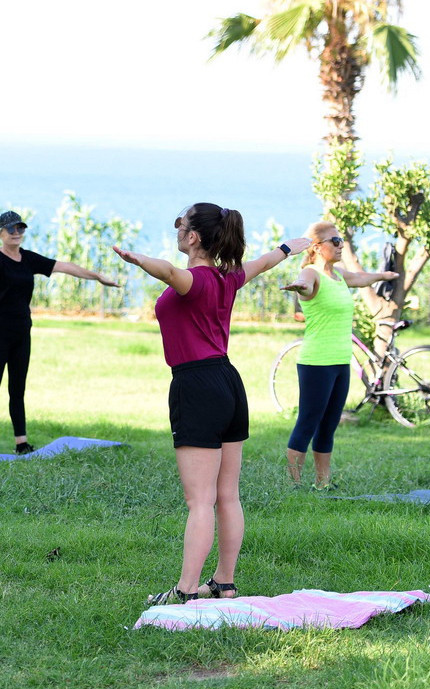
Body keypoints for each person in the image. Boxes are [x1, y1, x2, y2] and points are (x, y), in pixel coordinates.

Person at [112, 203, 308, 605]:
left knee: (200, 500)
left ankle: (185, 590)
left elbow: (168, 272)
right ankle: (224, 584)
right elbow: (266, 262)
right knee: (227, 495)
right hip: (229, 383)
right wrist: (288, 249)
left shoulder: (197, 280)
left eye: (180, 221)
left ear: (194, 236)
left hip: (197, 385)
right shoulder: (229, 277)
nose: (176, 225)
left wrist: (137, 260)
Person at [0, 210, 120, 454]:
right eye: (11, 229)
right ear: (0, 233)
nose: (16, 233)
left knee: (18, 389)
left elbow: (64, 267)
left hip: (21, 332)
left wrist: (97, 277)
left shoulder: (28, 259)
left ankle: (21, 444)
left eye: (20, 229)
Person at [281, 221, 397, 489]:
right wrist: (298, 286)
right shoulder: (311, 273)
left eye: (341, 240)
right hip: (316, 363)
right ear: (318, 247)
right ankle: (294, 485)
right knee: (308, 422)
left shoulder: (339, 275)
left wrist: (383, 276)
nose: (341, 244)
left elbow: (361, 278)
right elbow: (305, 284)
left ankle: (323, 483)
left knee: (329, 424)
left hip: (339, 362)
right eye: (334, 241)